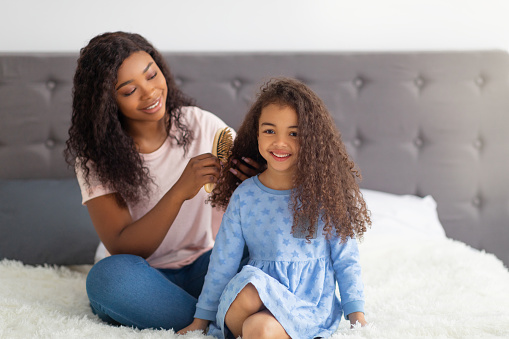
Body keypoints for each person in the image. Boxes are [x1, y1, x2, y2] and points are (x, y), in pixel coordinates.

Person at [64, 31, 258, 331]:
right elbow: (124, 246)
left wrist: (251, 180)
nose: (150, 92)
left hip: (205, 265)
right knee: (107, 280)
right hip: (142, 277)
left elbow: (253, 199)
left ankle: (203, 320)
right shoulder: (95, 160)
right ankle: (222, 321)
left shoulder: (200, 125)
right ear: (107, 103)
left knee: (263, 254)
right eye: (129, 91)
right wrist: (180, 190)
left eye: (152, 75)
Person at [179, 78, 371, 339]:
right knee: (246, 294)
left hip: (306, 305)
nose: (280, 143)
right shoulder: (245, 196)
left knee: (257, 329)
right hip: (255, 297)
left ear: (312, 139)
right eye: (270, 131)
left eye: (294, 134)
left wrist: (356, 317)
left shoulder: (325, 196)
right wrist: (200, 321)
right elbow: (223, 262)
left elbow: (346, 260)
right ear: (255, 133)